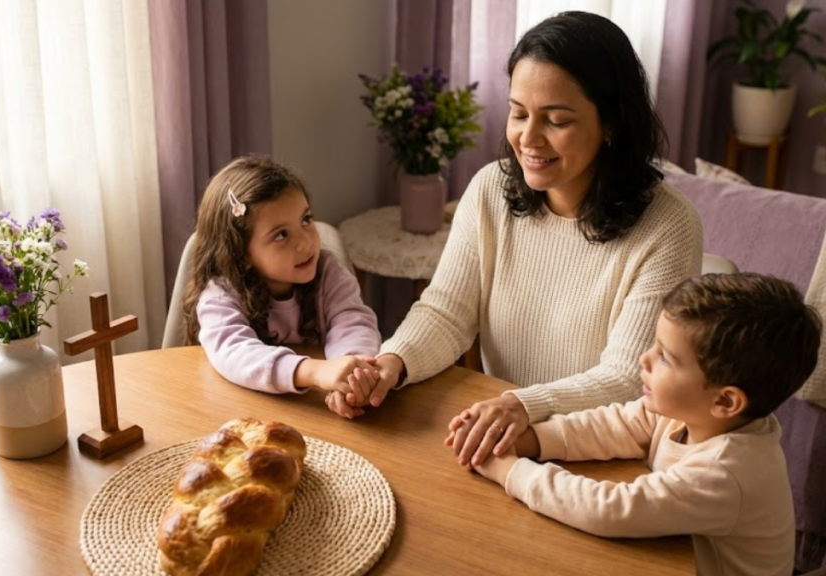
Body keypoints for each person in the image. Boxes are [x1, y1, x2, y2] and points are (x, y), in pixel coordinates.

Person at [350, 11, 704, 443]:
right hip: (500, 434)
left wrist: (523, 404)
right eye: (519, 114)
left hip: (598, 447)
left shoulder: (669, 227)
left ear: (612, 122)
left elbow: (628, 379)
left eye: (556, 120)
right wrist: (393, 362)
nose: (528, 139)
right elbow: (446, 311)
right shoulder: (490, 190)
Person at [452, 273, 821, 576]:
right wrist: (527, 439)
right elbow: (613, 425)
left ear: (724, 401)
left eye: (665, 358)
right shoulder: (692, 413)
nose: (644, 359)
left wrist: (510, 470)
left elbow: (610, 509)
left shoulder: (727, 472)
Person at [183, 155, 381, 418]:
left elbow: (353, 322)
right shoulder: (220, 296)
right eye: (281, 234)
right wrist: (315, 371)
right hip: (242, 415)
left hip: (314, 416)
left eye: (306, 220)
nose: (305, 243)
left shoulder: (329, 273)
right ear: (241, 253)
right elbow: (234, 353)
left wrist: (351, 378)